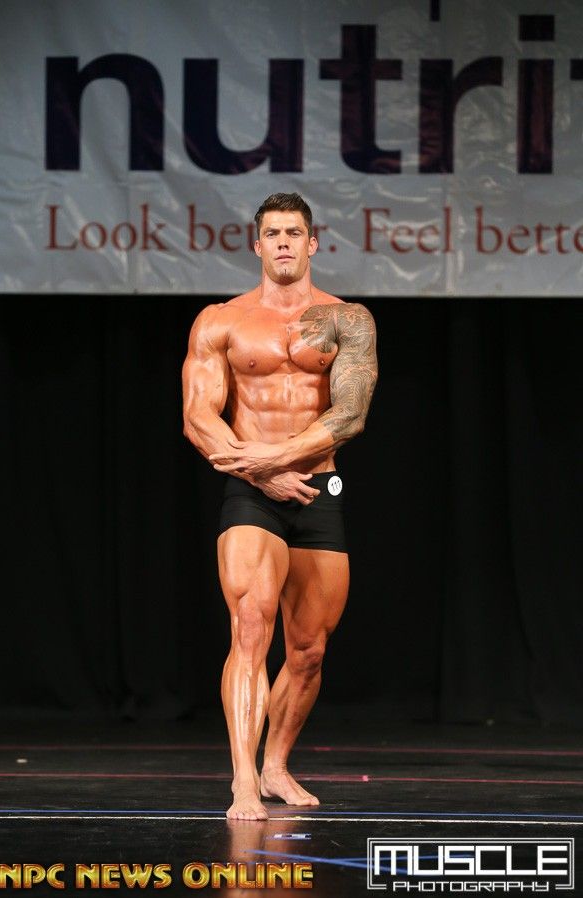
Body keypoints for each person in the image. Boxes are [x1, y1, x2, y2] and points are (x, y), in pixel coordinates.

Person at [182, 192, 377, 820]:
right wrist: (262, 474)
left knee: (309, 650)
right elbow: (198, 417)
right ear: (257, 244)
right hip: (252, 492)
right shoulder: (222, 321)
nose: (285, 242)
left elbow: (350, 414)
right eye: (274, 233)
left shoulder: (349, 320)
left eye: (295, 232)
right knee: (249, 627)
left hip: (318, 488)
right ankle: (243, 779)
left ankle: (275, 765)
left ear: (313, 243)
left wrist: (280, 460)